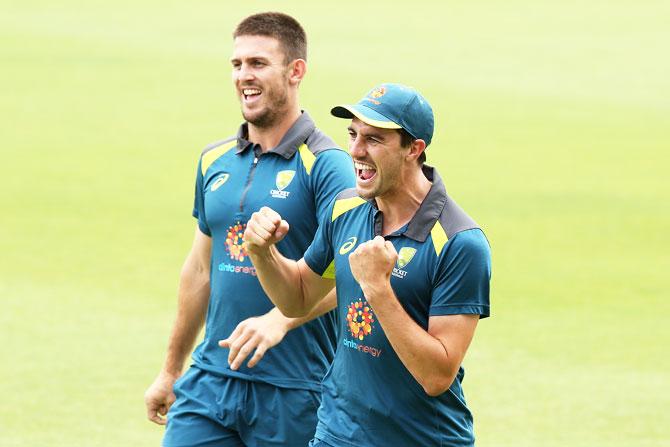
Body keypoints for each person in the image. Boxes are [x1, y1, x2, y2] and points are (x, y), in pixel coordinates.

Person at [144, 12, 356, 447]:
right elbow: (200, 270)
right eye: (237, 64)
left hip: (295, 390)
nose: (244, 75)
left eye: (258, 63)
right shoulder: (213, 160)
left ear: (295, 71)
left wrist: (281, 319)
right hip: (208, 384)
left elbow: (358, 274)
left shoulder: (328, 166)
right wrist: (170, 369)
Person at [244, 83, 492, 447]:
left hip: (421, 439)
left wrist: (377, 288)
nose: (356, 151)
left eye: (374, 140)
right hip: (337, 433)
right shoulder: (345, 209)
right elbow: (297, 298)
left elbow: (436, 375)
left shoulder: (459, 242)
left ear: (414, 149)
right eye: (352, 134)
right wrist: (262, 253)